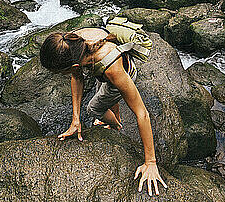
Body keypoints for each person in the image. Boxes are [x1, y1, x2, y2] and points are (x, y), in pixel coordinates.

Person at [39, 27, 168, 197]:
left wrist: (150, 162)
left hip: (122, 71)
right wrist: (75, 120)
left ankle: (116, 124)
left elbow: (142, 113)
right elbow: (77, 77)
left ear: (74, 65)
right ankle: (114, 114)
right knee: (103, 88)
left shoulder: (111, 69)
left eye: (61, 71)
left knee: (93, 108)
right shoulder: (71, 42)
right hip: (103, 68)